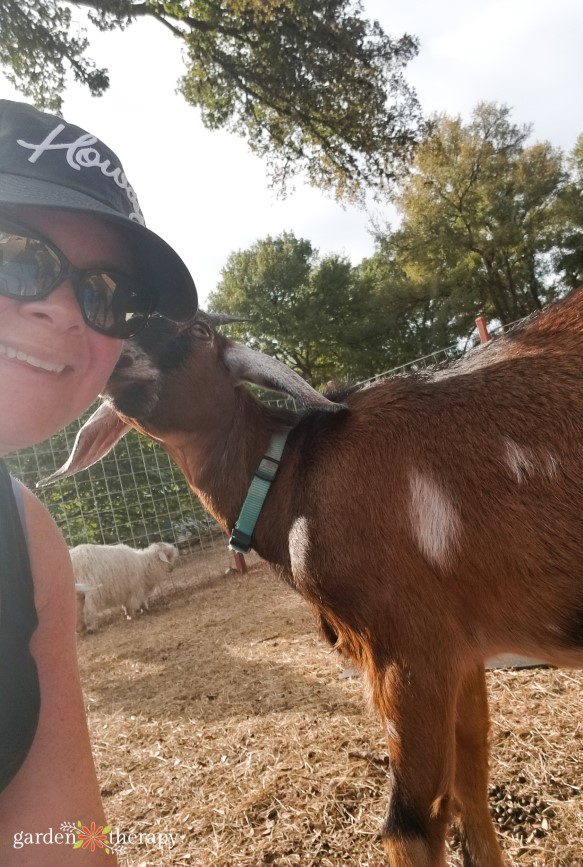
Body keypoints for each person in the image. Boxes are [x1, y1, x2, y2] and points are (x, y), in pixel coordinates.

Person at [0, 99, 197, 864]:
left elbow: (62, 838)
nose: (61, 311)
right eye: (18, 253)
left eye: (108, 294)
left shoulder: (27, 541)